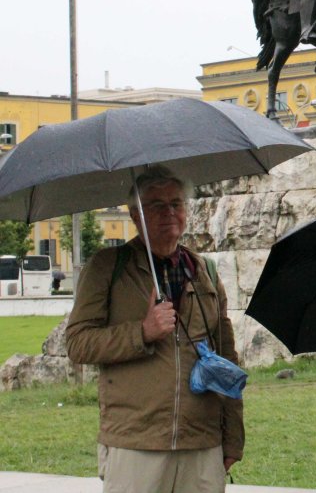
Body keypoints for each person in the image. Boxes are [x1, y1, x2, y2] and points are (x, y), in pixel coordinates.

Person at [66, 166, 243, 493]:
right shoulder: (107, 267)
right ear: (135, 215)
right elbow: (78, 343)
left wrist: (233, 436)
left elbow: (226, 359)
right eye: (156, 205)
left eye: (176, 203)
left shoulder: (204, 270)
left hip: (201, 442)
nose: (169, 212)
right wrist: (142, 333)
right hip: (136, 442)